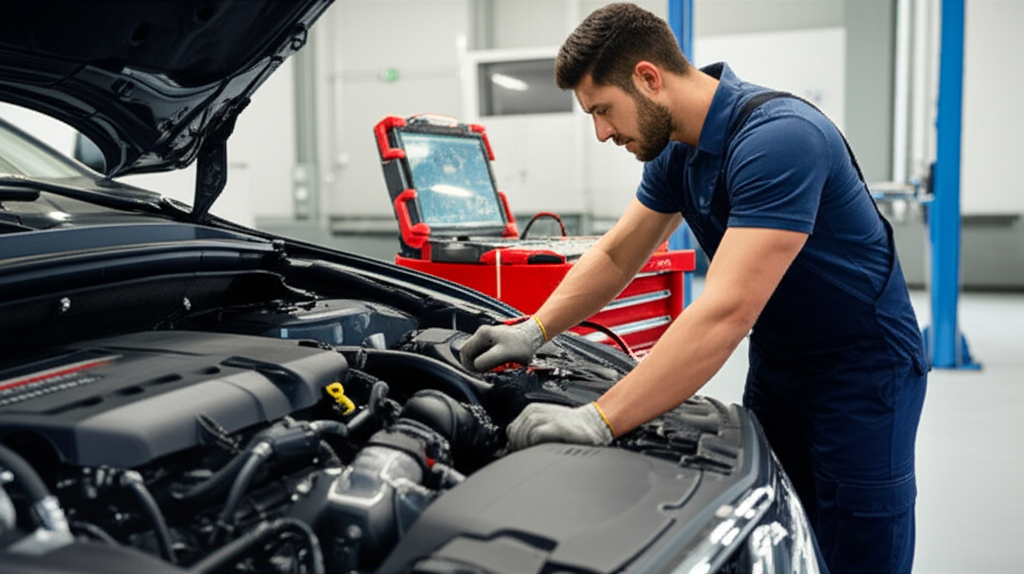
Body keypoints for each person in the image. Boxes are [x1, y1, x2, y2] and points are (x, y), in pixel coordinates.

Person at [458, 3, 928, 573]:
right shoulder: (677, 152)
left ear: (648, 78)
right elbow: (616, 253)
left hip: (863, 369)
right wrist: (532, 330)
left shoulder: (780, 139)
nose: (603, 132)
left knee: (858, 541)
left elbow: (725, 312)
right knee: (779, 525)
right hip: (781, 359)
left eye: (604, 110)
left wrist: (600, 419)